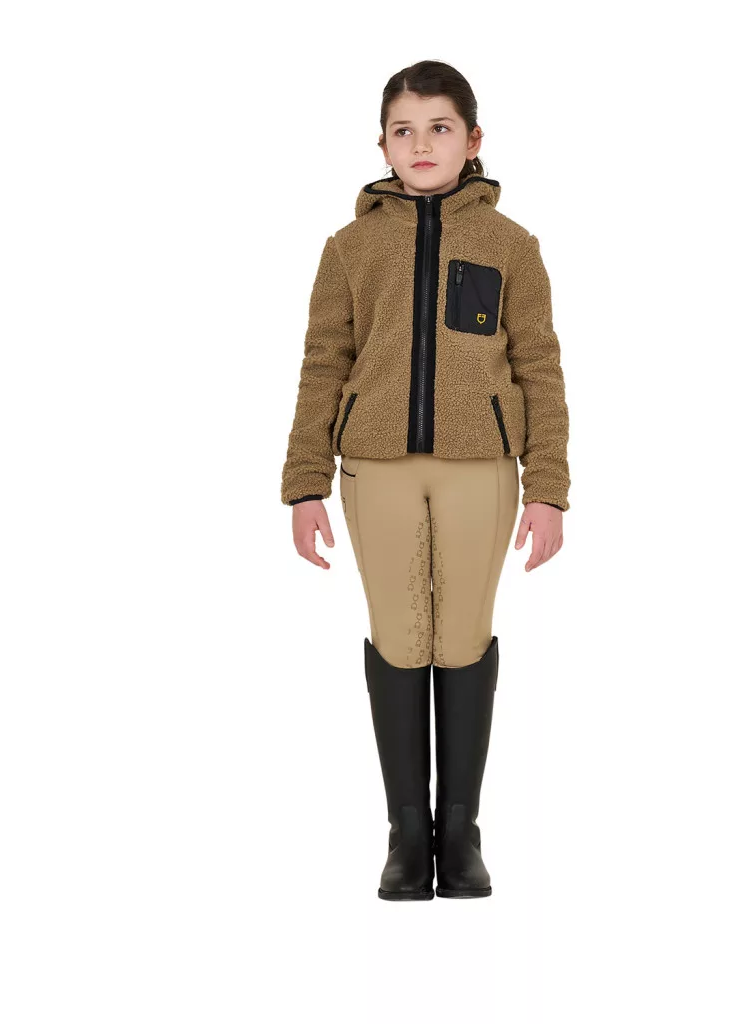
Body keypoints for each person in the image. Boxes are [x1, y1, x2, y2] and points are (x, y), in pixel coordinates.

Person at [280, 60, 571, 900]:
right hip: (375, 467)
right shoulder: (349, 249)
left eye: (439, 127)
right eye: (402, 130)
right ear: (381, 144)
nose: (420, 144)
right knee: (401, 638)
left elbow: (540, 367)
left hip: (482, 466)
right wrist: (305, 482)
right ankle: (407, 837)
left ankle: (461, 833)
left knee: (463, 638)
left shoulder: (512, 246)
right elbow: (323, 363)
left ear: (472, 140)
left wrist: (548, 487)